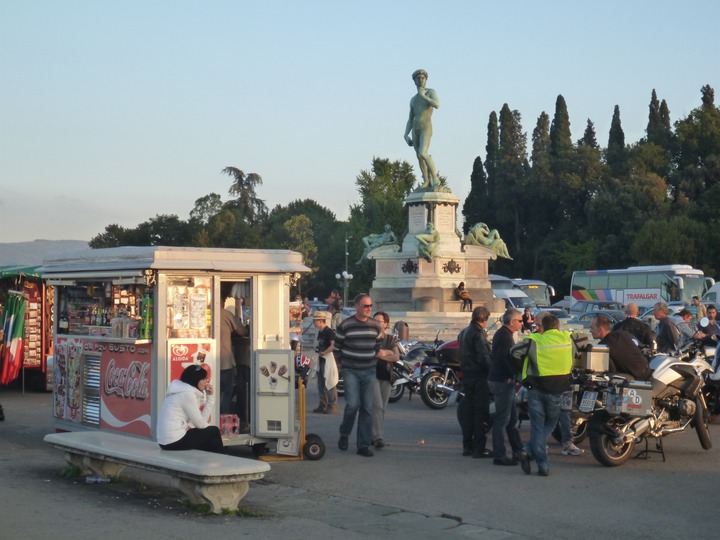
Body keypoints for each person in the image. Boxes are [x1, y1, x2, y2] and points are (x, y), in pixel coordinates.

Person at [512, 314, 573, 476]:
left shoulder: (534, 340)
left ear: (544, 328)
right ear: (558, 327)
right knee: (550, 423)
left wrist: (524, 368)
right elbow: (575, 353)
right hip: (557, 389)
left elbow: (514, 353)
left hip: (535, 388)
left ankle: (533, 455)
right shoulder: (567, 339)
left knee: (537, 426)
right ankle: (538, 461)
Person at [334, 293, 384, 457]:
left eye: (370, 306)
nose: (369, 309)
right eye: (365, 306)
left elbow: (377, 345)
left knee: (367, 408)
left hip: (369, 370)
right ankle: (344, 433)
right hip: (351, 370)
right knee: (352, 405)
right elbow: (337, 348)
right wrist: (343, 365)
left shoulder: (375, 325)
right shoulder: (346, 325)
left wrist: (371, 358)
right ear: (357, 306)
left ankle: (362, 445)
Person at [157, 364, 224, 454]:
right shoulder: (187, 395)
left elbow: (201, 422)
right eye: (203, 379)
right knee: (214, 431)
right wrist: (210, 399)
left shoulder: (181, 391)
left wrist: (210, 398)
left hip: (166, 441)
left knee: (207, 434)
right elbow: (200, 425)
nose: (206, 381)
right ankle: (220, 460)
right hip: (173, 441)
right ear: (195, 380)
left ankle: (210, 461)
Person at [487, 308, 524, 466]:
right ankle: (499, 455)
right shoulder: (504, 336)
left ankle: (518, 451)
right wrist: (511, 376)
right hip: (502, 381)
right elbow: (505, 359)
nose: (522, 324)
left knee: (512, 419)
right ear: (512, 322)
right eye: (520, 321)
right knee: (502, 419)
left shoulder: (504, 334)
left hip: (502, 379)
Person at [458, 306, 493, 458]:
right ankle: (479, 447)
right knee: (480, 412)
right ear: (483, 319)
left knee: (468, 411)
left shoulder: (464, 332)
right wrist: (492, 371)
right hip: (479, 376)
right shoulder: (478, 334)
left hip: (467, 375)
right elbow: (483, 356)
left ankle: (467, 446)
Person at [404, 69, 440, 191]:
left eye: (422, 78)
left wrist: (423, 96)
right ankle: (426, 180)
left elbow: (437, 105)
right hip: (415, 128)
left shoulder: (430, 92)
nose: (420, 80)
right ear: (414, 81)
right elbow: (410, 118)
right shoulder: (413, 100)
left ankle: (435, 179)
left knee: (423, 152)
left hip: (426, 127)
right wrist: (405, 134)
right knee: (419, 156)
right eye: (418, 78)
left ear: (426, 80)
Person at [371, 311, 401, 449]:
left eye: (379, 321)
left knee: (382, 408)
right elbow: (371, 354)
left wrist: (382, 354)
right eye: (374, 320)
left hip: (386, 375)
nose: (376, 323)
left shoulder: (389, 339)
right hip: (371, 375)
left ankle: (372, 434)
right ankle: (378, 437)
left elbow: (396, 357)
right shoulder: (369, 338)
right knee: (377, 406)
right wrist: (386, 353)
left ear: (386, 324)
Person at [590, 315, 651, 380]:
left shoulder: (604, 346)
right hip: (646, 371)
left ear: (600, 329)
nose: (590, 331)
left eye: (592, 328)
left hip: (636, 377)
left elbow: (611, 369)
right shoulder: (623, 334)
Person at [220, 286, 246, 414]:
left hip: (207, 362)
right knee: (226, 392)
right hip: (224, 362)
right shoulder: (225, 314)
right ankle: (222, 421)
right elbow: (241, 331)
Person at [312, 311, 338, 414]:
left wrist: (324, 352)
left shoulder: (329, 332)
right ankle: (323, 404)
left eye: (315, 321)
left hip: (327, 358)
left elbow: (333, 345)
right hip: (321, 358)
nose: (314, 323)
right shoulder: (321, 331)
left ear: (321, 321)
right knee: (321, 383)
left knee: (330, 382)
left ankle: (332, 405)